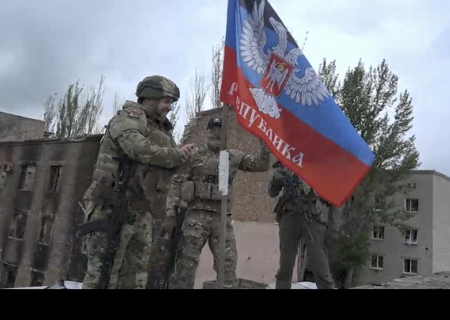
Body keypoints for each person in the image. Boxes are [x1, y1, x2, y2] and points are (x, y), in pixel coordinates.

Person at [78, 75, 195, 289]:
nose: (169, 107)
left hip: (140, 210)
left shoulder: (161, 130)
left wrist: (184, 157)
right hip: (112, 206)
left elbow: (170, 162)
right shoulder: (129, 117)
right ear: (150, 97)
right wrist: (175, 155)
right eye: (166, 101)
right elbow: (137, 149)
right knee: (103, 275)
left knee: (135, 275)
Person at [164, 116, 270, 289]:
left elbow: (261, 164)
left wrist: (264, 140)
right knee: (185, 267)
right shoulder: (195, 155)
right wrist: (170, 212)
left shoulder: (233, 157)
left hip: (222, 219)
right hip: (196, 217)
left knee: (227, 267)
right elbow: (176, 182)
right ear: (207, 132)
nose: (216, 133)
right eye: (213, 130)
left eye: (220, 130)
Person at [268, 162, 341, 289]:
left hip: (313, 217)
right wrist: (277, 179)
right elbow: (272, 192)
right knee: (285, 267)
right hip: (290, 215)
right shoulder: (290, 159)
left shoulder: (324, 163)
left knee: (321, 268)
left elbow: (336, 198)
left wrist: (334, 228)